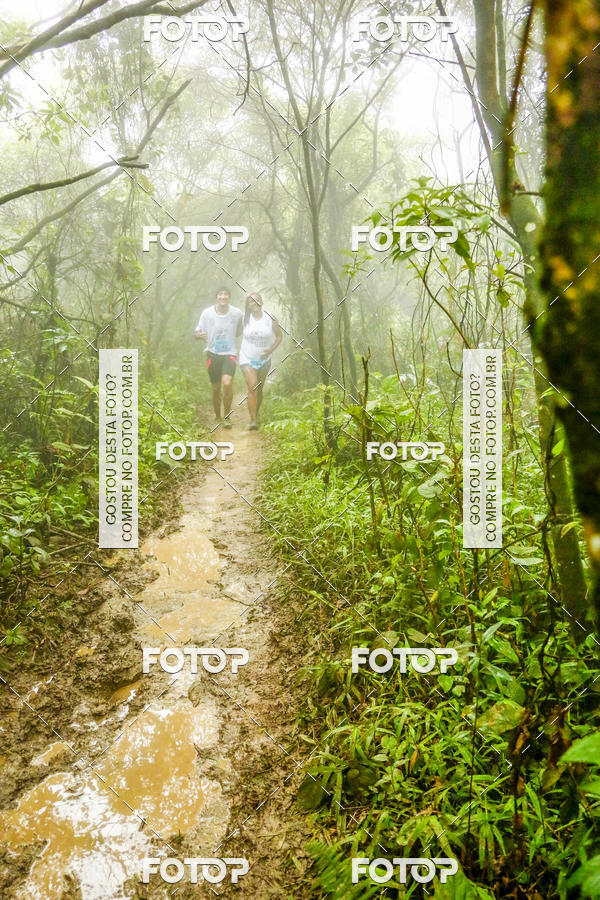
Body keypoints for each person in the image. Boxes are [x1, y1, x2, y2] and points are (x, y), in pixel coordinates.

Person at [194, 287, 243, 428]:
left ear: (229, 297)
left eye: (226, 294)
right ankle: (217, 417)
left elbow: (241, 329)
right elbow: (197, 332)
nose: (223, 296)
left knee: (227, 383)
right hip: (212, 354)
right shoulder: (207, 313)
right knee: (215, 388)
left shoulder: (237, 313)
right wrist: (198, 335)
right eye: (220, 294)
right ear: (217, 297)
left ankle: (227, 417)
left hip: (230, 354)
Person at [239, 293, 282, 430]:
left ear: (262, 302)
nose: (254, 302)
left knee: (259, 388)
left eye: (257, 300)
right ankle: (253, 421)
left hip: (264, 360)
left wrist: (270, 349)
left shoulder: (270, 317)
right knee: (253, 386)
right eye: (251, 301)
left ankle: (256, 414)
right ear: (248, 305)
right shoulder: (244, 318)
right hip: (246, 358)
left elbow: (279, 336)